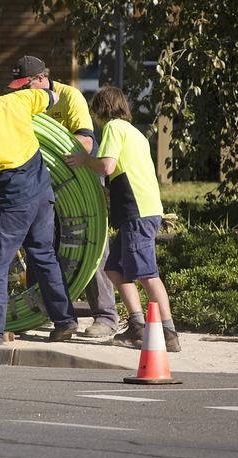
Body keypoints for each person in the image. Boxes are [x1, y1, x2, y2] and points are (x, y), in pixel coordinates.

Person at [0, 78, 78, 344]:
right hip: (42, 192)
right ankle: (65, 321)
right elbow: (51, 97)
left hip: (11, 198)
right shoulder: (17, 100)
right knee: (44, 255)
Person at [8, 55, 118, 338]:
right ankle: (43, 310)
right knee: (40, 242)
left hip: (77, 179)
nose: (20, 92)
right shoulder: (23, 102)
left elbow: (84, 142)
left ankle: (105, 316)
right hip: (41, 179)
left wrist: (48, 153)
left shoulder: (70, 98)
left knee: (91, 243)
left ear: (42, 80)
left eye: (25, 85)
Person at [65, 85, 181, 352]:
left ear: (101, 109)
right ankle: (137, 327)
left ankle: (169, 332)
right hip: (142, 208)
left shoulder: (114, 128)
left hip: (136, 211)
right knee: (114, 268)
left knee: (147, 274)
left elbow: (107, 165)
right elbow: (122, 170)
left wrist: (84, 160)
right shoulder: (135, 133)